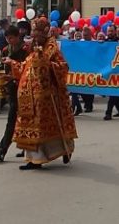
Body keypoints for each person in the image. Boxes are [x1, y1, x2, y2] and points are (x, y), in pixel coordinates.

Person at [5, 17, 77, 170]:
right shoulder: (33, 48)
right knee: (33, 128)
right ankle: (34, 159)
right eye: (33, 35)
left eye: (37, 35)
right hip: (30, 97)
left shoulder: (52, 49)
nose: (35, 38)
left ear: (43, 34)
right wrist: (13, 64)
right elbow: (26, 67)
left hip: (49, 98)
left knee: (49, 128)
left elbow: (63, 67)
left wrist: (47, 64)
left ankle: (65, 150)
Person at [0, 25, 29, 162]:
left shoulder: (26, 49)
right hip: (12, 88)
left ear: (18, 36)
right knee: (12, 120)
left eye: (11, 38)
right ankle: (4, 150)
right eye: (7, 38)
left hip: (24, 88)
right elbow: (3, 68)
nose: (9, 41)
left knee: (24, 120)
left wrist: (14, 71)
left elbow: (27, 69)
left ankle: (21, 148)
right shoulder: (6, 50)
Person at [103, 26, 119, 120]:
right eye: (108, 31)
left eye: (111, 31)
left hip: (118, 70)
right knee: (114, 92)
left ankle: (108, 113)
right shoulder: (104, 42)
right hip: (107, 70)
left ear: (115, 32)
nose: (110, 33)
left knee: (113, 91)